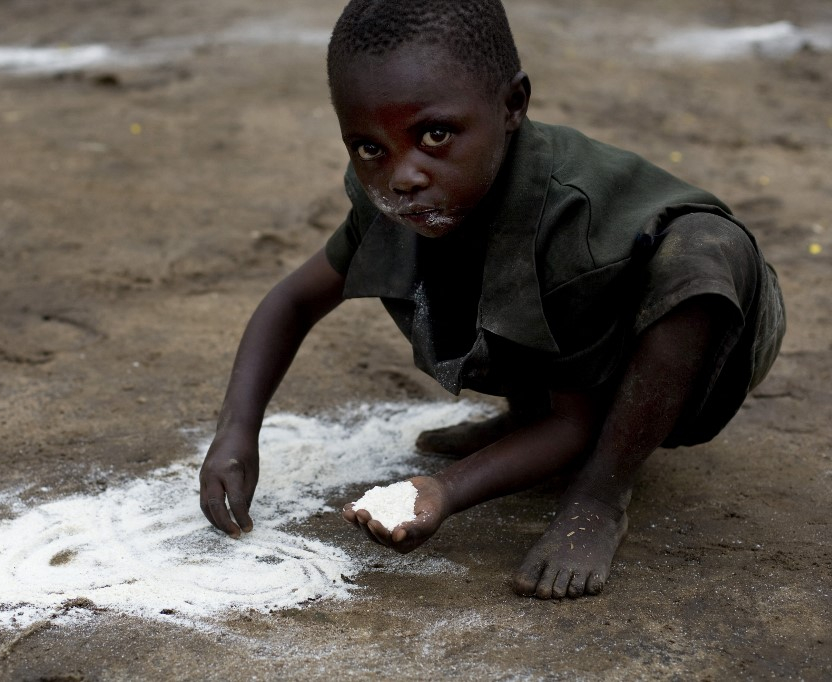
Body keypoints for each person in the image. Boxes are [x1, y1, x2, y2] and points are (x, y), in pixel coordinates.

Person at [198, 0, 785, 599]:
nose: (403, 175)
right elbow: (293, 302)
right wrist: (236, 432)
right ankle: (523, 420)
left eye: (435, 134)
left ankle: (600, 495)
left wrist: (448, 489)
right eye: (369, 147)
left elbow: (572, 424)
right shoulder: (415, 196)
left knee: (703, 252)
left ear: (512, 105)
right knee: (425, 253)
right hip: (574, 338)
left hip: (703, 341)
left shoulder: (570, 225)